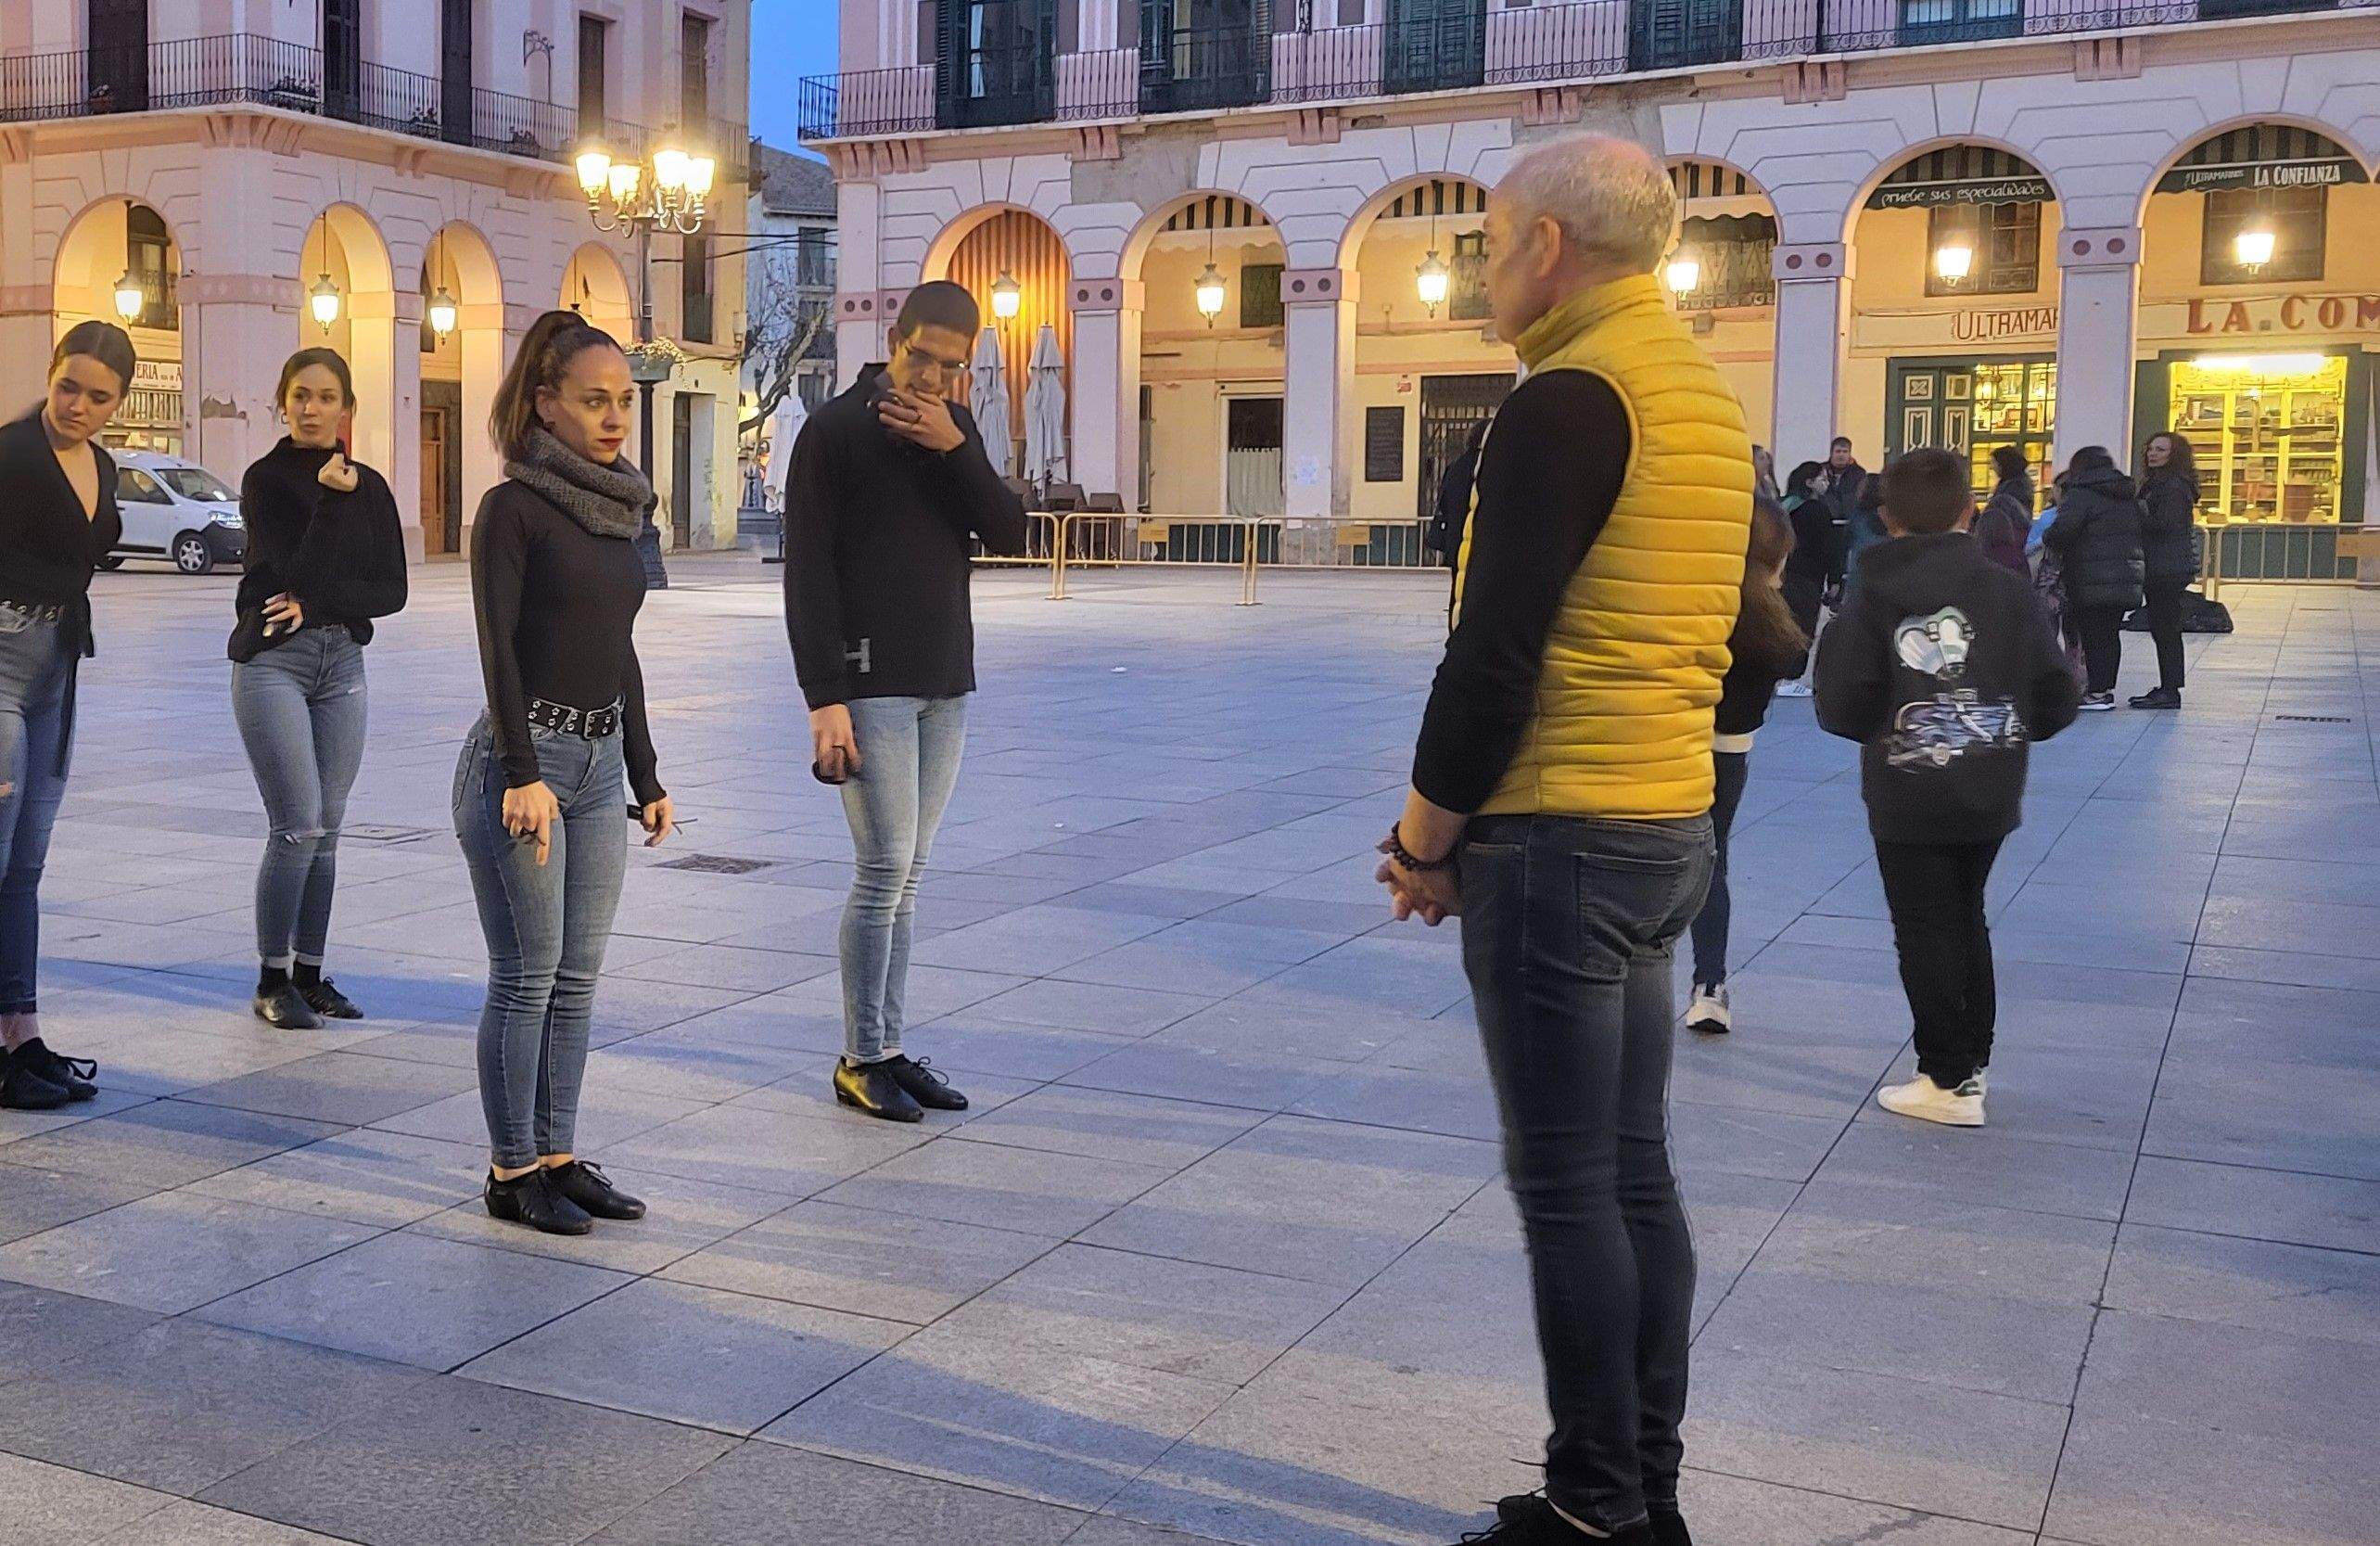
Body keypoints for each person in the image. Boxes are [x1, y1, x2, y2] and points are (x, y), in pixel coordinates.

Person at [1373, 134, 1750, 1546]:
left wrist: (1423, 840)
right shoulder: (1696, 395)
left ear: (1545, 247)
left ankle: (1594, 1506)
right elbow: (1750, 624)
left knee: (1566, 1187)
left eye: (1486, 238)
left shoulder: (1563, 399)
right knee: (1634, 1169)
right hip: (1662, 820)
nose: (1476, 263)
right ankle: (1641, 1489)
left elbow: (1493, 654)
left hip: (1561, 833)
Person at [783, 281, 1029, 1123]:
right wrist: (825, 697)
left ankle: (888, 1046)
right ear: (894, 337)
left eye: (949, 367)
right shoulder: (835, 432)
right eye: (920, 356)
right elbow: (807, 571)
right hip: (869, 681)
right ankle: (860, 1055)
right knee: (882, 867)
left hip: (943, 680)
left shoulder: (951, 434)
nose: (930, 377)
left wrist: (954, 446)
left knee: (910, 877)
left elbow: (1010, 532)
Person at [456, 311, 676, 1236]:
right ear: (544, 405)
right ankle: (511, 1169)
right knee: (526, 972)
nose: (614, 416)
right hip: (527, 764)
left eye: (623, 400)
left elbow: (616, 648)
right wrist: (519, 771)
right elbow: (497, 649)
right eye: (594, 400)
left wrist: (647, 772)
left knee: (577, 975)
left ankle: (556, 1153)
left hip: (594, 762)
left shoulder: (623, 508)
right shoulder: (512, 508)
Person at [1814, 449, 2079, 1127]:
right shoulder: (2005, 589)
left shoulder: (1871, 594)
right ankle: (1971, 1060)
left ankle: (1945, 1075)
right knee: (1965, 914)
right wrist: (2010, 731)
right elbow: (2055, 688)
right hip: (1990, 780)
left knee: (1924, 926)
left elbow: (1840, 703)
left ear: (1887, 515)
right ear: (1969, 510)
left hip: (1905, 787)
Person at [232, 349, 409, 1030]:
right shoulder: (265, 480)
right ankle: (271, 979)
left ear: (347, 408)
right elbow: (289, 568)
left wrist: (319, 599)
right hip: (273, 663)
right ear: (283, 401)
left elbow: (390, 590)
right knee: (298, 823)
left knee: (328, 830)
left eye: (326, 396)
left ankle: (310, 975)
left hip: (342, 667)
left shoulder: (373, 486)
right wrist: (332, 506)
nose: (311, 408)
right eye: (300, 395)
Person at [0, 322, 133, 1111]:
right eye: (68, 386)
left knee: (26, 866)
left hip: (55, 674)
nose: (78, 405)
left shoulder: (104, 464)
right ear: (50, 376)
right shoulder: (12, 453)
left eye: (98, 395)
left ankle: (21, 1031)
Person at [1686, 499, 1808, 1035]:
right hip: (1729, 751)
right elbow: (1795, 661)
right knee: (1713, 860)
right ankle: (1709, 985)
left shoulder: (1695, 602)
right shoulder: (1771, 620)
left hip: (1669, 743)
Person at [2043, 445, 2144, 710]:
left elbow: (2062, 531)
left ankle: (2096, 692)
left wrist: (2047, 537)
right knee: (2111, 634)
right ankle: (2106, 688)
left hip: (2090, 575)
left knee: (2093, 635)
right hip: (2125, 575)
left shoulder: (2081, 494)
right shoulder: (2126, 495)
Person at [2132, 430, 2200, 710]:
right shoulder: (2159, 484)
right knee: (2163, 628)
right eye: (2151, 448)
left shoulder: (2171, 487)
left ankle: (2170, 689)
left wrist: (2136, 512)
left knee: (2166, 629)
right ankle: (2167, 686)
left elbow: (2164, 525)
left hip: (2166, 567)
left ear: (2175, 455)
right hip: (2163, 564)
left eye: (2161, 449)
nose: (2153, 453)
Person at [1774, 459, 1835, 698]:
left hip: (1782, 574)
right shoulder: (1817, 510)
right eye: (1822, 478)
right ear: (1809, 483)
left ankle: (1781, 676)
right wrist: (1835, 577)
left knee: (1783, 625)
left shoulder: (1783, 507)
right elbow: (1829, 547)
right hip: (1809, 576)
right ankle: (1792, 677)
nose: (1826, 483)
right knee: (1802, 626)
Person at [1427, 417, 1490, 569]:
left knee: (1458, 585)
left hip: (1455, 542)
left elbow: (1444, 503)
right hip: (1481, 543)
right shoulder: (1489, 466)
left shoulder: (1455, 467)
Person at [1972, 445, 2034, 577]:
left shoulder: (2013, 488)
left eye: (1994, 463)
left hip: (2004, 540)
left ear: (2003, 464)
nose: (1992, 467)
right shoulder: (2015, 484)